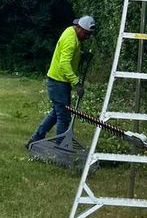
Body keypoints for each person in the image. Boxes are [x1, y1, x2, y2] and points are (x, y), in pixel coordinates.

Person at [27, 15, 96, 145]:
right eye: (86, 34)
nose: (87, 37)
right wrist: (77, 83)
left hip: (59, 81)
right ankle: (60, 146)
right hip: (58, 82)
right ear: (80, 28)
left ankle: (36, 138)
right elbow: (65, 64)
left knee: (56, 113)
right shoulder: (71, 39)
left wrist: (81, 56)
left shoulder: (71, 32)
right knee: (64, 117)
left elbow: (69, 54)